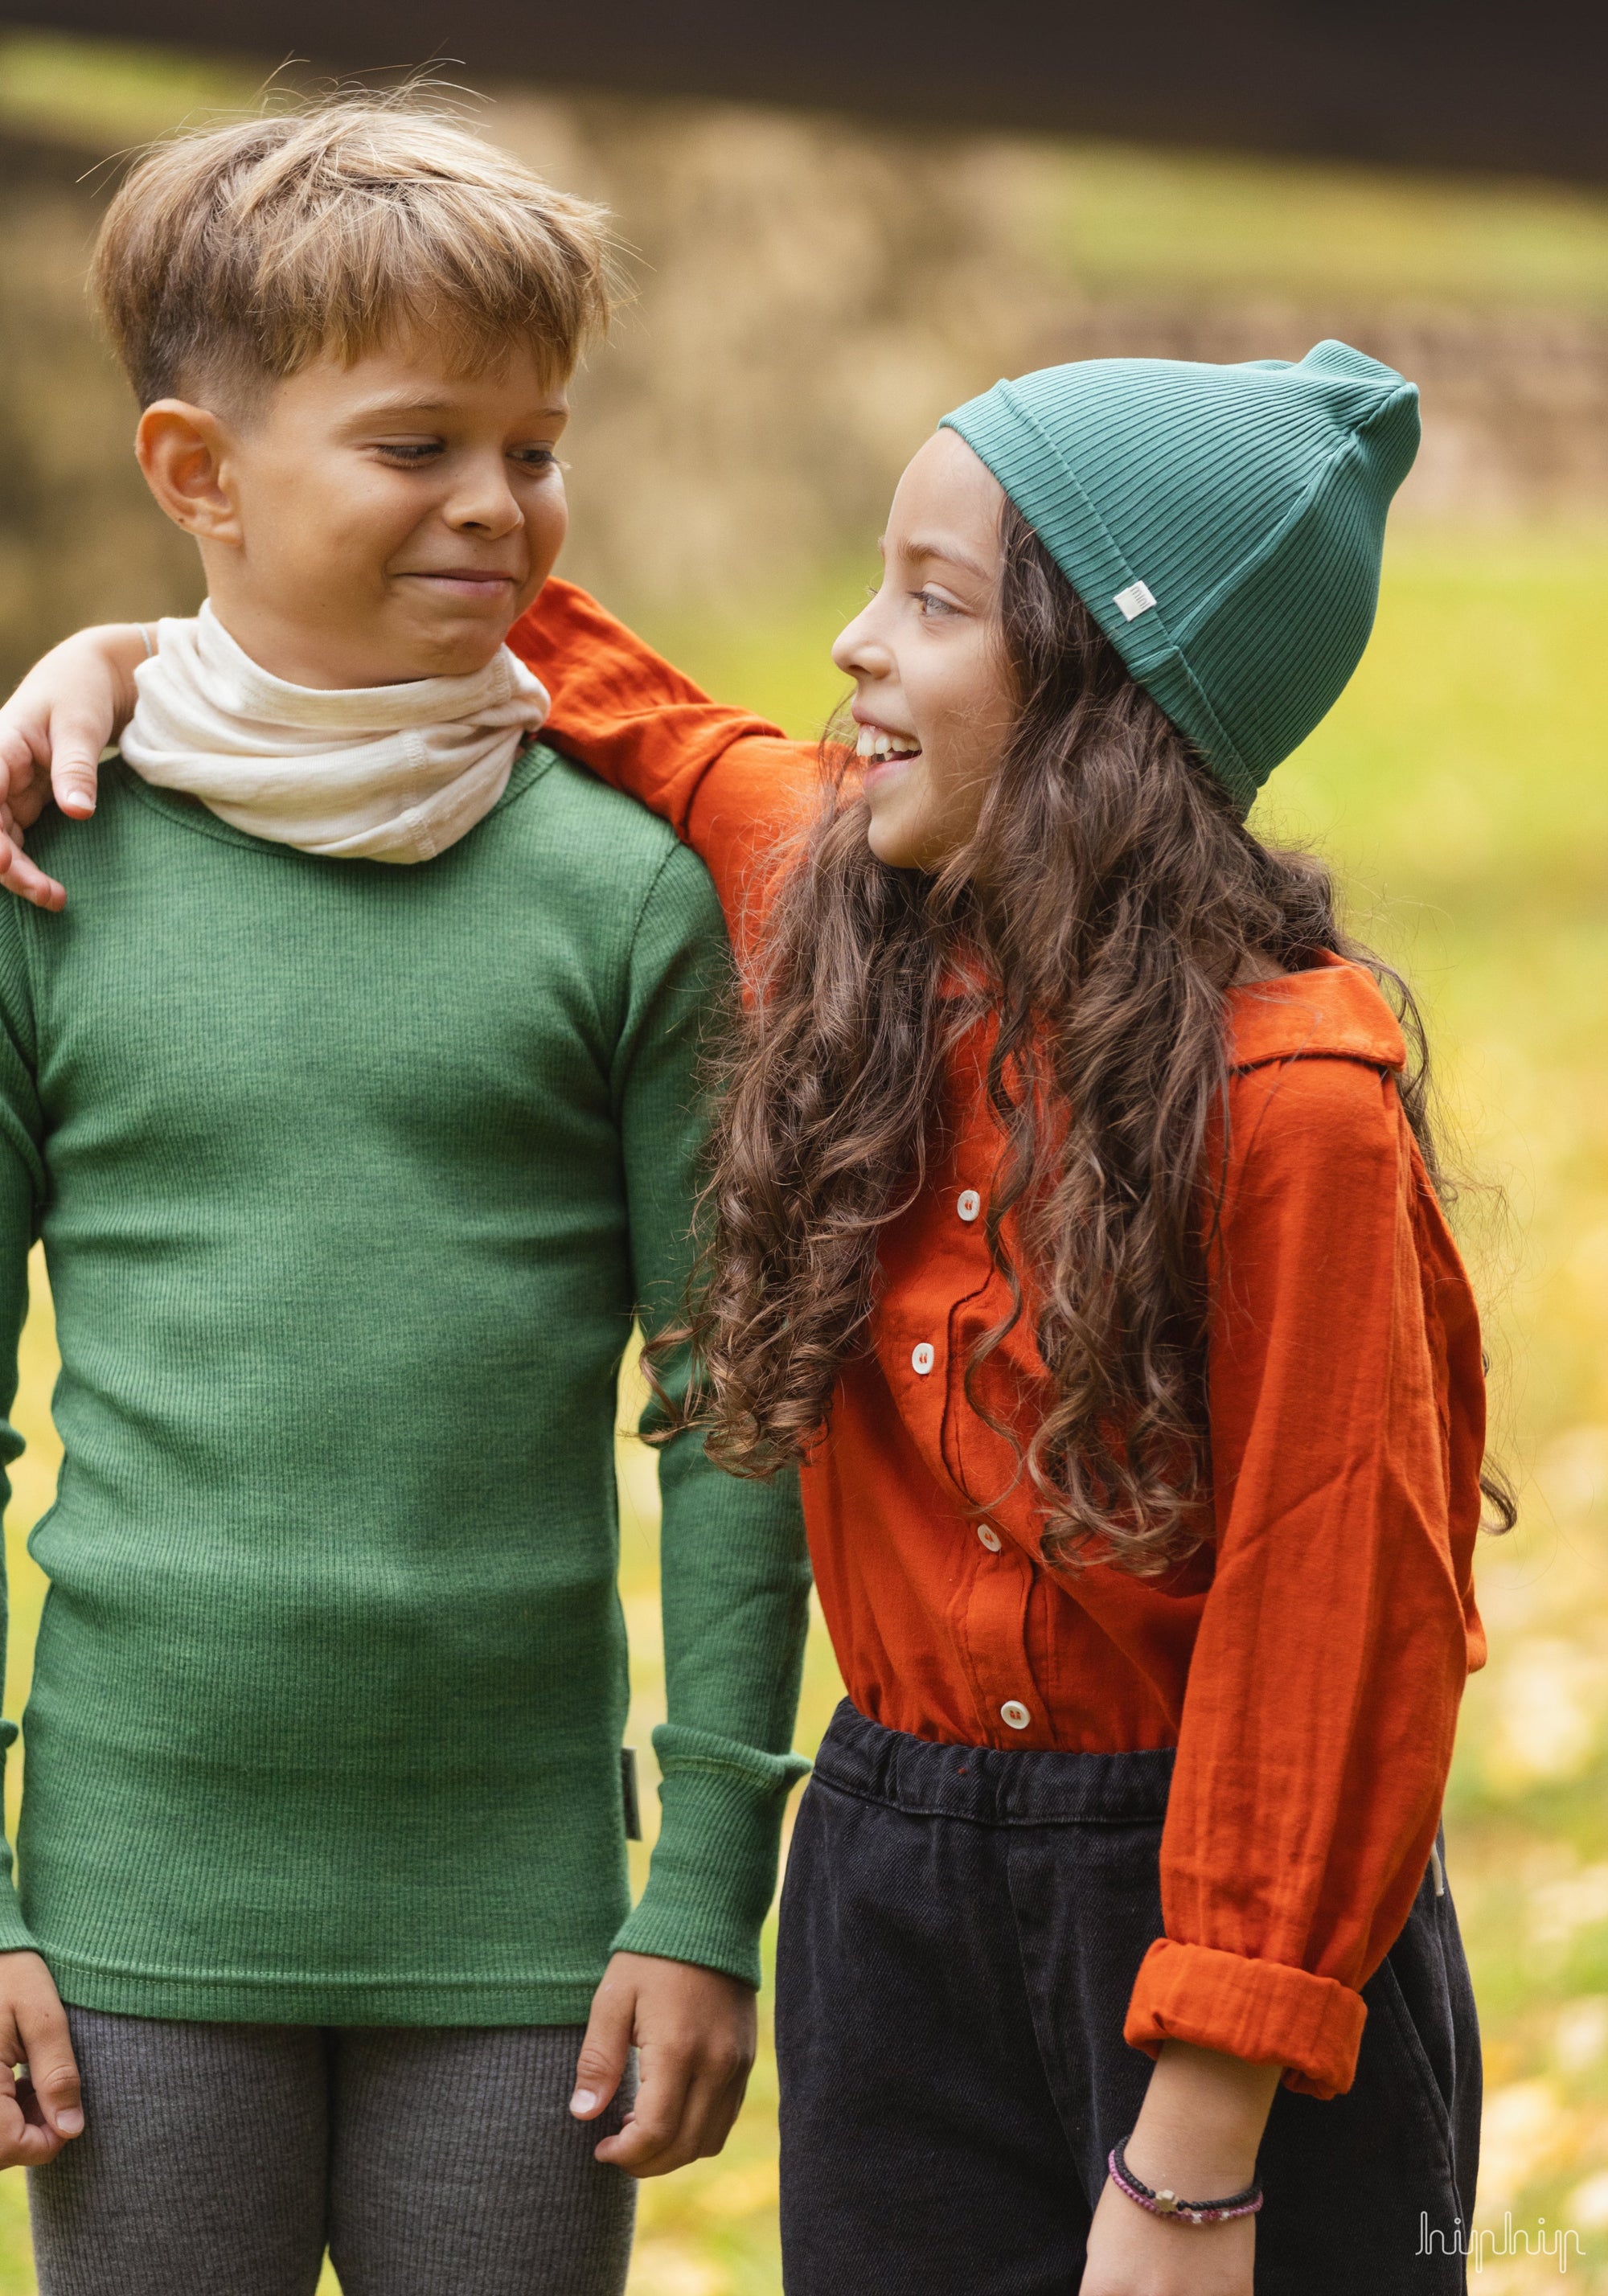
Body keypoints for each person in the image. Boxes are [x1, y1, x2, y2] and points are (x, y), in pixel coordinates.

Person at [2, 351, 1496, 2294]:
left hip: (1221, 1915)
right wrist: (151, 654)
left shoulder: (1296, 1102)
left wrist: (1197, 2154)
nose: (849, 643)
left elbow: (1337, 1632)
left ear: (1114, 699)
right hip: (888, 1881)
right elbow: (480, 621)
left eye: (935, 603)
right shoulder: (822, 877)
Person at [0, 99, 811, 2296]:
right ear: (196, 475)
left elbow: (731, 1401)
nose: (501, 506)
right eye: (418, 444)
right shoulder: (44, 877)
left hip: (526, 1933)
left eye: (537, 447)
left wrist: (702, 1885)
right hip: (127, 1912)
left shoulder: (630, 898)